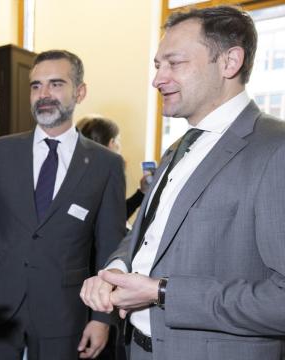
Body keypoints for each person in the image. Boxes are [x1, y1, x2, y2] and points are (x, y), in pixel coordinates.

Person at [80, 6, 285, 360]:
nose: (158, 79)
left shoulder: (275, 149)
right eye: (157, 65)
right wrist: (116, 270)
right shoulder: (178, 148)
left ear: (229, 62)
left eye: (174, 63)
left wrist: (162, 292)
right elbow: (144, 236)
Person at [0, 49, 127, 360]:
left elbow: (110, 247)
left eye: (56, 84)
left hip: (64, 311)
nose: (44, 95)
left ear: (80, 92)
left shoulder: (105, 164)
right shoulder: (2, 152)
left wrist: (101, 318)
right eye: (36, 85)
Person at [77, 115, 151, 219]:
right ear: (111, 143)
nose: (120, 146)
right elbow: (114, 219)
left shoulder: (75, 170)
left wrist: (141, 193)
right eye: (118, 140)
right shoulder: (110, 174)